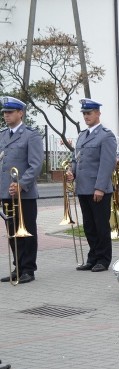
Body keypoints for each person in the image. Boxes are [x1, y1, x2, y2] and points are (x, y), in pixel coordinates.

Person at [67, 98, 118, 273]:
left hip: (98, 189)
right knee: (89, 225)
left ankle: (103, 259)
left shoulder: (106, 135)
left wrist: (100, 188)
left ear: (98, 113)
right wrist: (71, 171)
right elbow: (76, 158)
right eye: (84, 114)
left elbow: (107, 164)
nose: (86, 116)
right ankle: (93, 257)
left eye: (89, 113)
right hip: (83, 187)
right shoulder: (82, 135)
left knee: (100, 225)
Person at [0, 96, 44, 284]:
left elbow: (36, 165)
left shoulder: (31, 135)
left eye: (9, 112)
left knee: (26, 231)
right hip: (5, 191)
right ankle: (18, 267)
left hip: (24, 193)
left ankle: (28, 269)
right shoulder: (2, 134)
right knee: (12, 231)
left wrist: (21, 184)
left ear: (20, 113)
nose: (6, 116)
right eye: (4, 113)